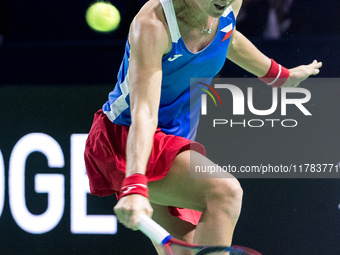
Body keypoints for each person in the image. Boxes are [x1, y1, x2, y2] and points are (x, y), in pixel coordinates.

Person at [84, 0, 322, 254]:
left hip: (174, 137)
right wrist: (134, 183)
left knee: (184, 252)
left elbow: (228, 36)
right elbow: (143, 111)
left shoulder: (226, 5)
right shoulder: (152, 25)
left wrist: (279, 76)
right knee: (224, 193)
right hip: (127, 142)